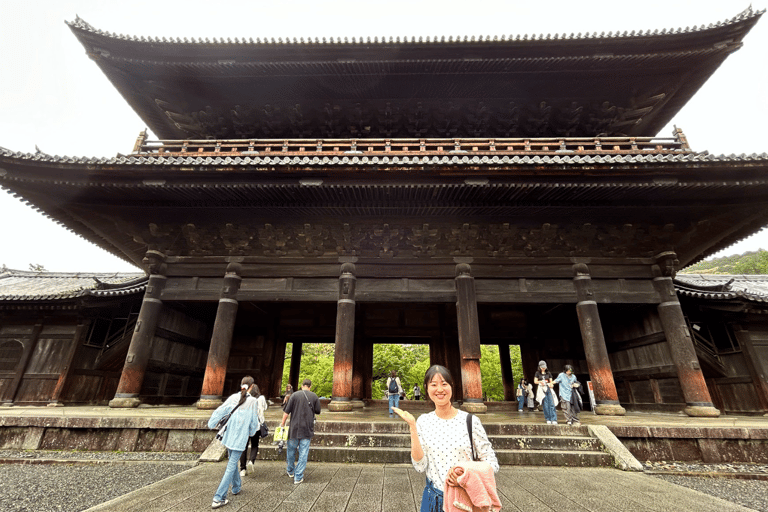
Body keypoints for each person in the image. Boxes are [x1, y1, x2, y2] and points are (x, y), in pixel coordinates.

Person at [392, 365, 499, 512]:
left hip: (463, 500)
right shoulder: (423, 421)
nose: (440, 390)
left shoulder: (470, 421)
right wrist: (412, 427)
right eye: (434, 385)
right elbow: (420, 466)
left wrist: (465, 476)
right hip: (432, 499)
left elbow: (492, 463)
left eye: (444, 384)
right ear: (426, 388)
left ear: (451, 386)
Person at [207, 376, 261, 509]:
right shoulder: (253, 401)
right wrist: (252, 432)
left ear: (241, 385)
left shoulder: (232, 397)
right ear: (251, 386)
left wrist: (211, 424)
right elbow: (254, 421)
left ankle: (236, 487)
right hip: (240, 437)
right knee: (231, 466)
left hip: (229, 435)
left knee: (232, 460)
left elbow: (220, 410)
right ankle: (218, 498)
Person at [280, 378, 321, 484]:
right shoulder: (314, 396)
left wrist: (282, 424)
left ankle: (290, 470)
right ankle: (298, 477)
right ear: (310, 386)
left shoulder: (294, 395)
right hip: (307, 428)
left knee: (291, 450)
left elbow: (286, 412)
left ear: (302, 385)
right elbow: (318, 411)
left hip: (294, 428)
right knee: (303, 453)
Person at [239, 383, 268, 477]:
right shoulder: (261, 398)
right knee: (255, 444)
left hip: (245, 424)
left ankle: (242, 469)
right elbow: (265, 408)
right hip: (256, 425)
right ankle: (251, 461)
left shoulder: (246, 397)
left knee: (244, 446)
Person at [534, 360, 558, 425]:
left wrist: (551, 384)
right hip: (542, 389)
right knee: (545, 405)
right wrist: (540, 382)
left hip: (548, 388)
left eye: (544, 367)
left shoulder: (548, 373)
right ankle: (548, 418)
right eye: (542, 367)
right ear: (539, 367)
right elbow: (535, 381)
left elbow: (551, 381)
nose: (543, 368)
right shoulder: (537, 373)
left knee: (552, 404)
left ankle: (554, 419)